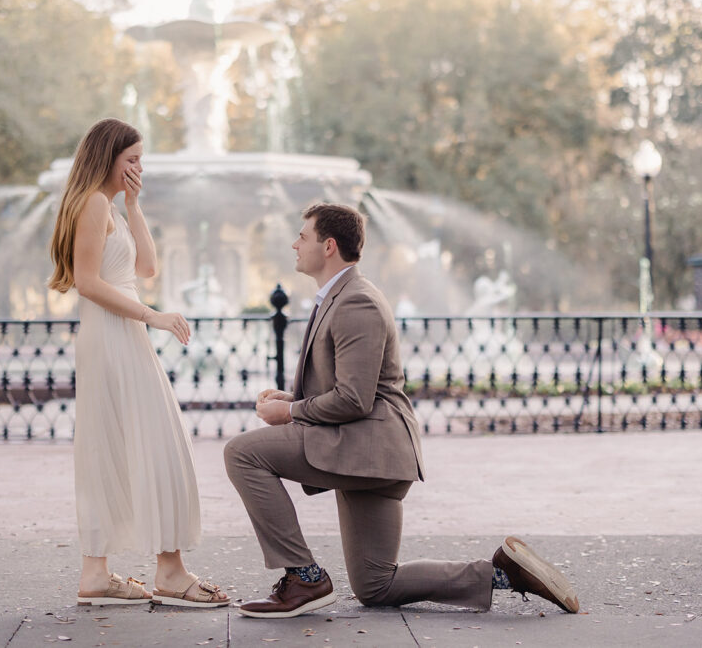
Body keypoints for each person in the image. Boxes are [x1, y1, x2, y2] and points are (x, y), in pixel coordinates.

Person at [224, 203, 579, 618]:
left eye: (303, 236)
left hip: (366, 448)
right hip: (371, 451)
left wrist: (292, 413)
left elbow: (355, 399)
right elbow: (354, 388)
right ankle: (504, 574)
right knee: (377, 585)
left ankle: (304, 575)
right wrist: (294, 402)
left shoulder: (356, 302)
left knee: (242, 453)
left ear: (329, 246)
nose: (294, 244)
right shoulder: (341, 296)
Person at [49, 118, 228, 608]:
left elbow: (146, 269)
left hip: (120, 335)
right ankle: (168, 572)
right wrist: (154, 316)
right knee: (154, 442)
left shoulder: (111, 206)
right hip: (113, 337)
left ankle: (98, 574)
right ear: (107, 158)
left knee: (119, 444)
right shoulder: (90, 203)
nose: (139, 168)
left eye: (140, 159)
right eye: (132, 159)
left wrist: (133, 203)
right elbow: (87, 281)